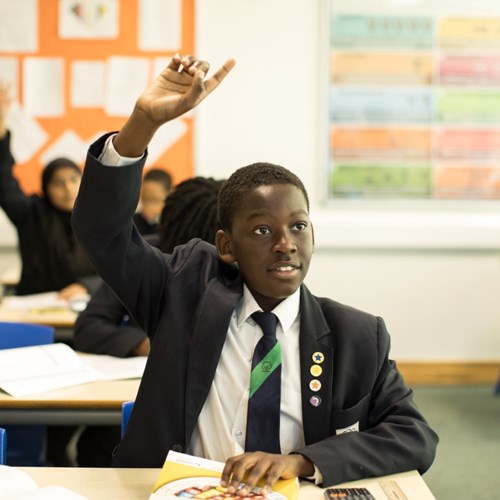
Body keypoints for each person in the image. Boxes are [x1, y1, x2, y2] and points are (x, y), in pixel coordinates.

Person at [72, 54, 438, 491]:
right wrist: (143, 123)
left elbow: (414, 437)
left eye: (298, 227)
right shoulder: (184, 291)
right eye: (263, 230)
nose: (285, 243)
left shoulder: (355, 334)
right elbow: (102, 232)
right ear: (227, 246)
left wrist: (301, 462)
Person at [73, 175, 223, 467]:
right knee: (97, 442)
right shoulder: (146, 259)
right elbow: (89, 326)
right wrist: (142, 344)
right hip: (138, 395)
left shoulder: (233, 273)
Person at [0, 81, 99, 300]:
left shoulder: (98, 217)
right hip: (35, 306)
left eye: (73, 179)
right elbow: (4, 182)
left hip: (87, 305)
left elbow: (119, 268)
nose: (68, 188)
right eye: (58, 183)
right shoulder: (32, 214)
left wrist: (87, 286)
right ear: (46, 188)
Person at [133, 168, 172, 236]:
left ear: (170, 196)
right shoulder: (133, 223)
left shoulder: (175, 225)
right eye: (144, 200)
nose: (147, 206)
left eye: (154, 200)